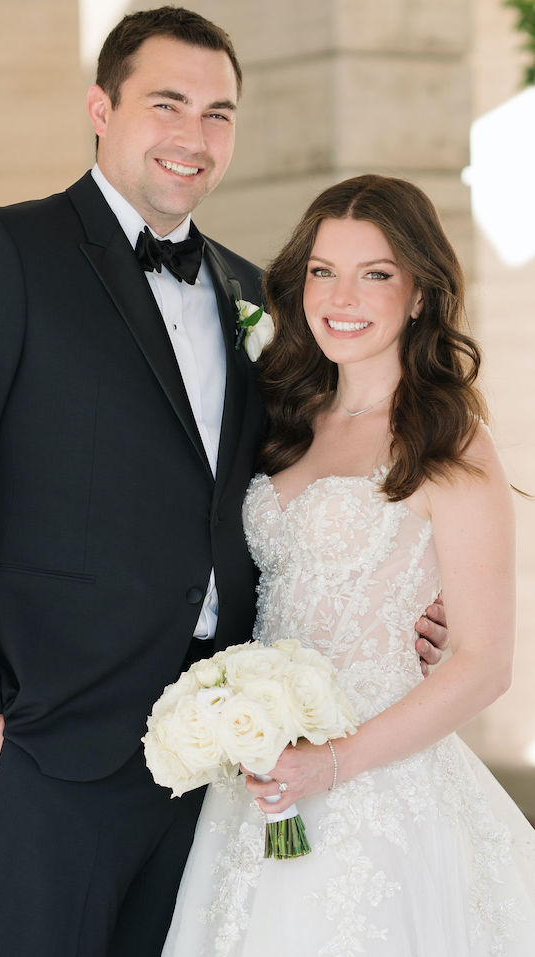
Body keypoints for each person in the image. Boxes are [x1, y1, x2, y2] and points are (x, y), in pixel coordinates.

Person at [0, 9, 446, 956]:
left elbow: (298, 490)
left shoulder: (252, 290)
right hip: (50, 746)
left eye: (219, 113)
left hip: (221, 757)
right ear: (101, 108)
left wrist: (404, 603)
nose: (195, 135)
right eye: (168, 103)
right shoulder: (2, 254)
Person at [162, 174, 535, 957]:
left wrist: (329, 765)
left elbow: (482, 662)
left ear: (420, 294)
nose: (343, 295)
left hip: (377, 782)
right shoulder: (278, 417)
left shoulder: (449, 440)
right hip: (259, 778)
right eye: (324, 270)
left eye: (376, 274)